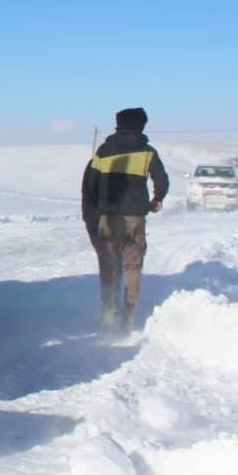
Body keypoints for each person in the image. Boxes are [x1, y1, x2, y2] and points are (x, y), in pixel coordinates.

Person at [81, 107, 169, 330]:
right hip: (135, 218)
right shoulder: (148, 152)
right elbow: (163, 180)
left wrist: (92, 216)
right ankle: (129, 317)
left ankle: (108, 311)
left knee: (109, 266)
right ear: (141, 126)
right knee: (133, 267)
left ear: (118, 125)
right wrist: (157, 198)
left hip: (108, 218)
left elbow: (89, 185)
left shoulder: (103, 152)